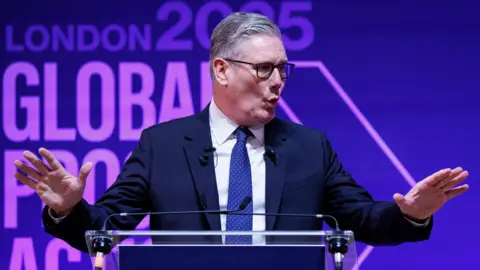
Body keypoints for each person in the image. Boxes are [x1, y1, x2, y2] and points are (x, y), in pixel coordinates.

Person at [15, 12, 468, 253]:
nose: (278, 82)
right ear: (222, 70)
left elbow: (363, 219)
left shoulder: (310, 147)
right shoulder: (163, 145)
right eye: (264, 69)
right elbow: (105, 230)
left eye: (283, 70)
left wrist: (413, 214)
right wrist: (69, 210)